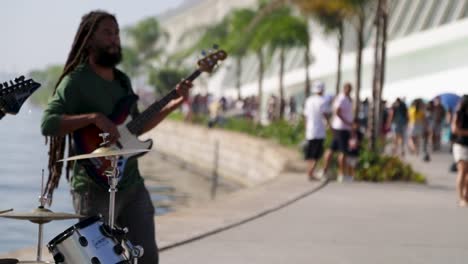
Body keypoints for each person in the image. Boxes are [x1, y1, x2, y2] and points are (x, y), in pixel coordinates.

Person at [40, 11, 192, 264]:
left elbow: (136, 127)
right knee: (99, 260)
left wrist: (176, 103)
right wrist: (92, 118)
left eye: (117, 33)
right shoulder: (76, 82)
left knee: (147, 257)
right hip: (93, 186)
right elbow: (48, 124)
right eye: (107, 33)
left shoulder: (123, 81)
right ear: (89, 40)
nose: (115, 39)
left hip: (131, 183)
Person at [321, 82, 353, 182]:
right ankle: (341, 174)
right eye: (348, 88)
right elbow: (337, 112)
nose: (349, 90)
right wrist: (347, 122)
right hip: (341, 128)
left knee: (332, 149)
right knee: (343, 152)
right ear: (345, 89)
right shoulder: (342, 98)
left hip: (340, 128)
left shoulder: (346, 98)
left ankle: (325, 171)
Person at [302, 81, 330, 181]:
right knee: (316, 153)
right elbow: (325, 114)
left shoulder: (309, 100)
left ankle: (309, 171)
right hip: (319, 131)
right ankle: (310, 173)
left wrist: (306, 128)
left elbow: (305, 116)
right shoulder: (323, 101)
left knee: (310, 153)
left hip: (310, 130)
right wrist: (329, 124)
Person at [451, 95, 468, 207]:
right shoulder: (459, 114)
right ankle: (461, 197)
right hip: (460, 145)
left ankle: (466, 196)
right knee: (462, 171)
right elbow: (454, 129)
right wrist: (466, 133)